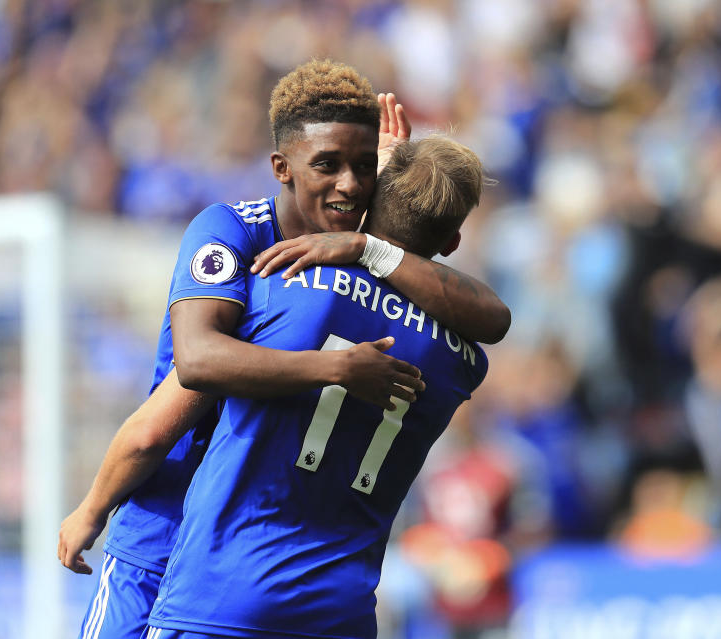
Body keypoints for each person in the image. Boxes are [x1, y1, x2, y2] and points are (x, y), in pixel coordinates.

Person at [61, 59, 509, 639]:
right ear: (282, 168)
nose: (349, 183)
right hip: (168, 526)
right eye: (328, 165)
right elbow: (197, 363)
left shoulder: (337, 272)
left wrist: (383, 217)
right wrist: (335, 367)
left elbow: (490, 311)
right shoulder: (233, 235)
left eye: (364, 167)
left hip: (237, 549)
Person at [143, 134, 490, 639]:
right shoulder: (464, 360)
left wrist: (91, 510)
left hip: (222, 593)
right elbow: (489, 315)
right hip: (341, 612)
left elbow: (153, 428)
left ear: (368, 201)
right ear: (452, 243)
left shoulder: (277, 282)